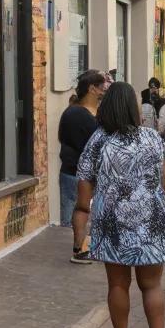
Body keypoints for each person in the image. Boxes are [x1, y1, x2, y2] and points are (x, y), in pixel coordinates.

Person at [74, 82, 165, 328]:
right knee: (152, 285)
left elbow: (84, 189)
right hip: (151, 222)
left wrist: (85, 212)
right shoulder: (153, 138)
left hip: (112, 223)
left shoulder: (99, 140)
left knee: (118, 284)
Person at [59, 69, 109, 264]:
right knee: (79, 210)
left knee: (81, 210)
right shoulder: (79, 115)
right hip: (77, 173)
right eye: (101, 88)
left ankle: (83, 246)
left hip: (79, 172)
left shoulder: (78, 112)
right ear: (92, 89)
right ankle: (79, 247)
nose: (104, 92)